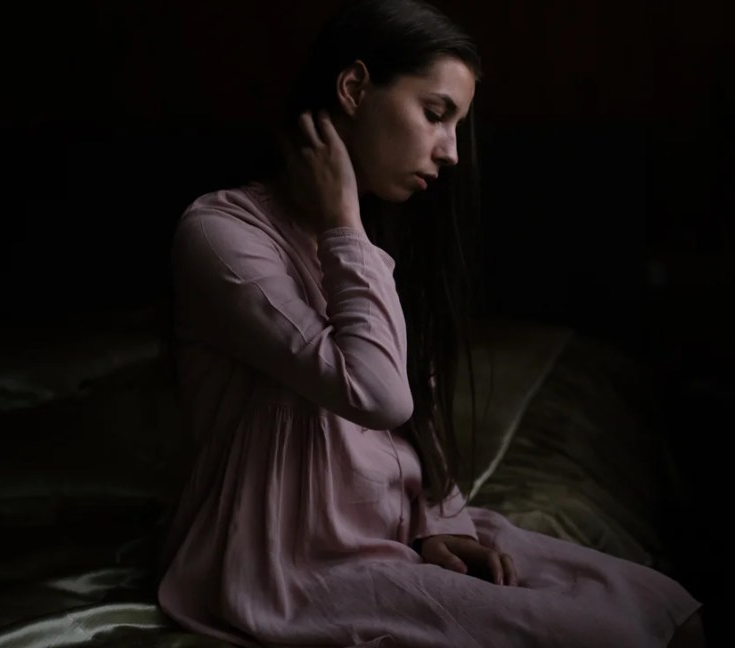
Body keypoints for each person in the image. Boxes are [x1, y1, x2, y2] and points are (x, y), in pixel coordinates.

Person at [156, 1, 705, 646]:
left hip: (396, 523)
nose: (448, 153)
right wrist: (342, 223)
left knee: (673, 607)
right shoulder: (221, 234)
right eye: (435, 114)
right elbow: (378, 394)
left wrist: (443, 520)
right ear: (354, 89)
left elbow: (420, 391)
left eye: (457, 126)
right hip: (291, 561)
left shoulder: (387, 228)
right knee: (616, 634)